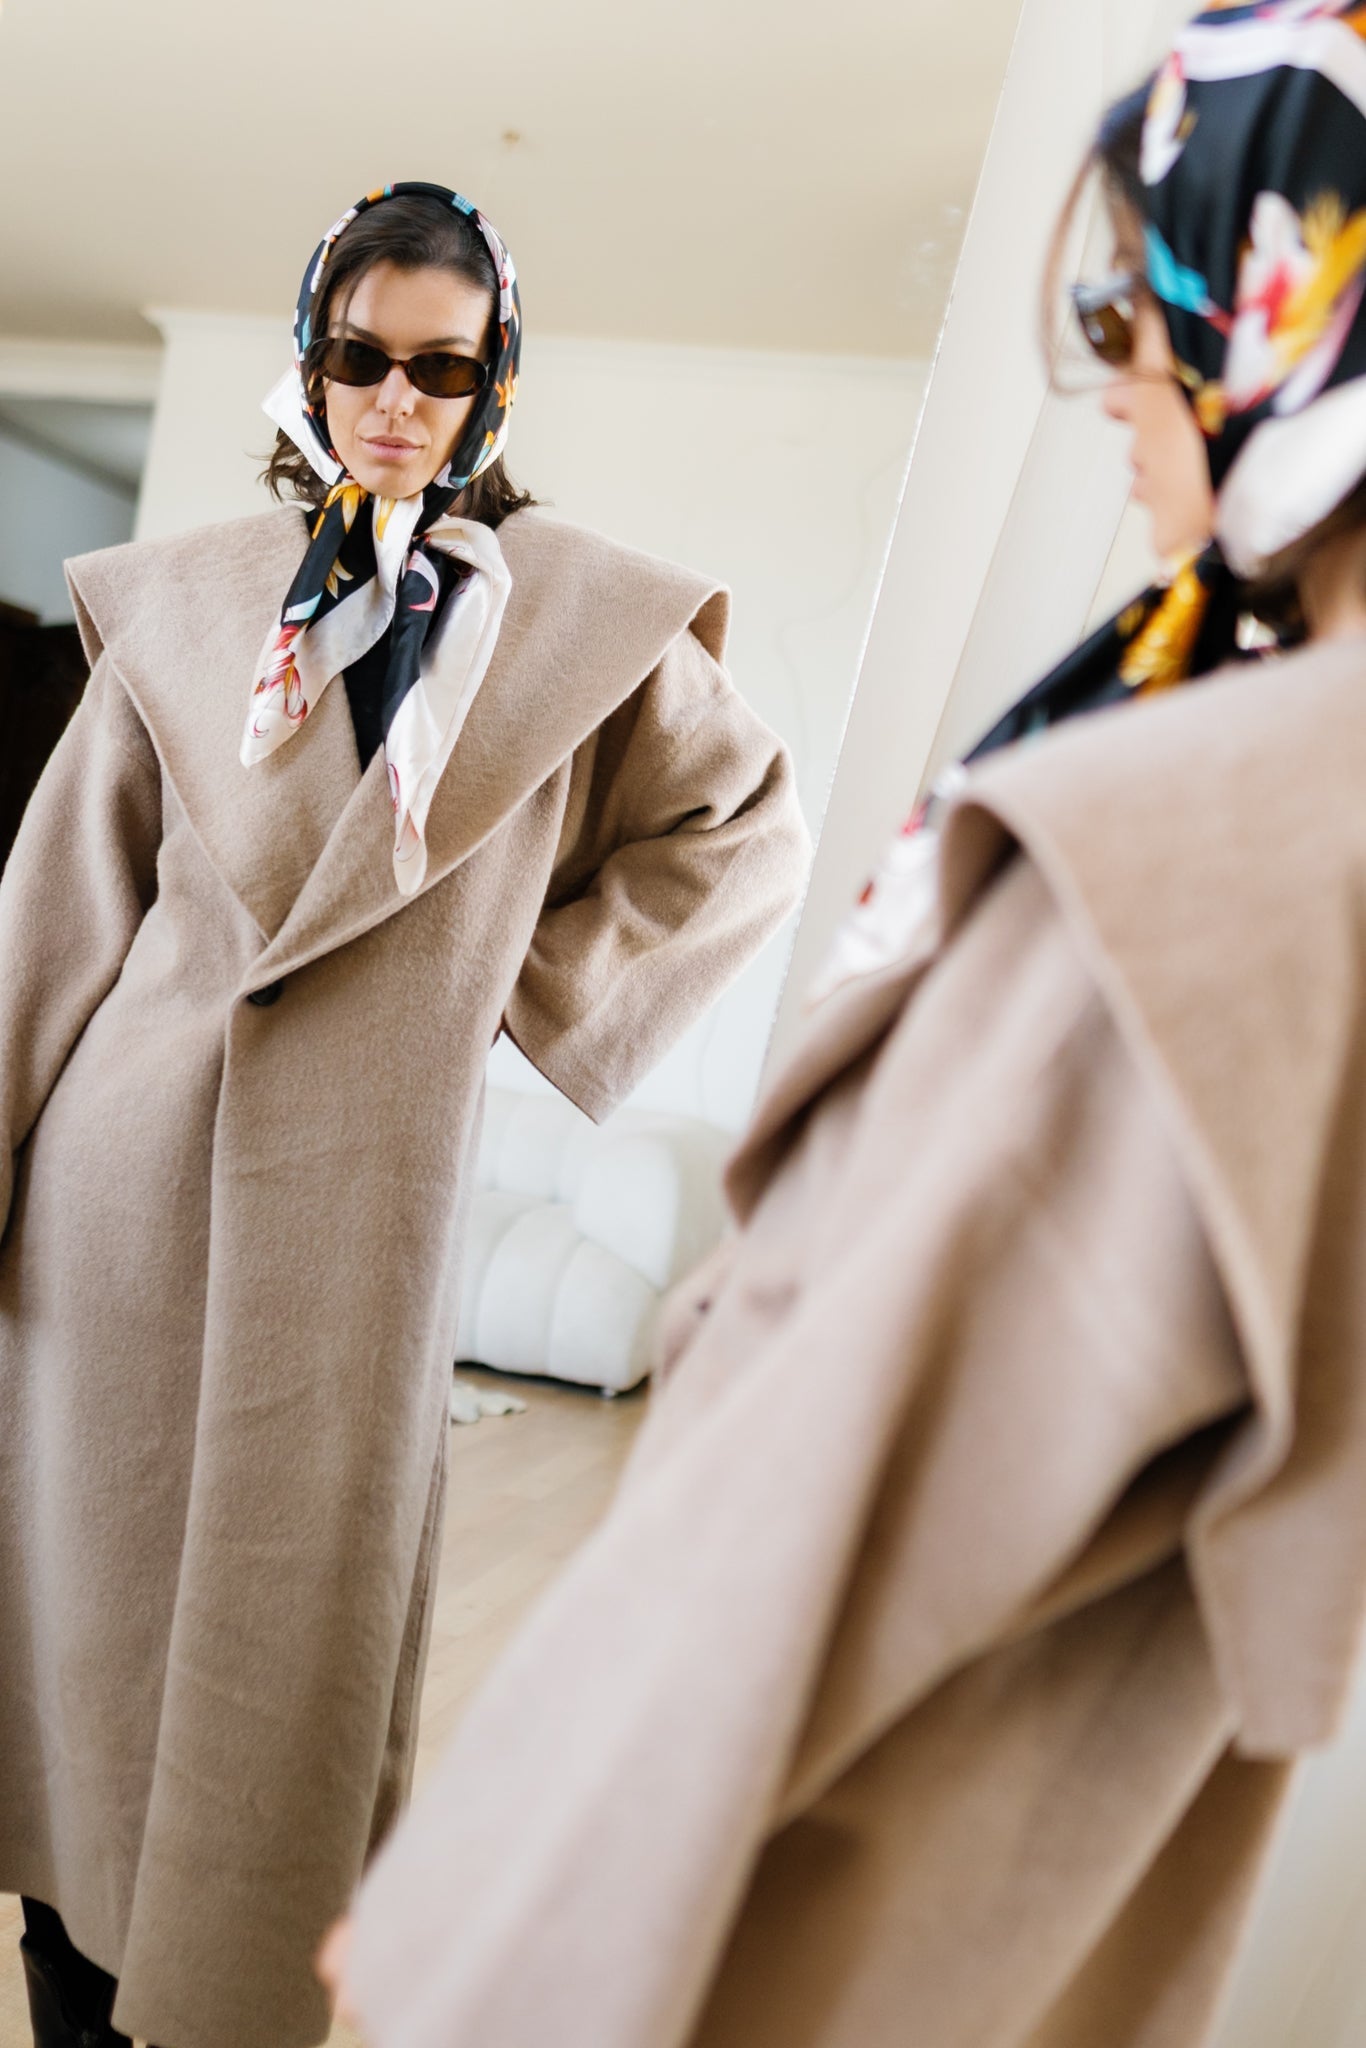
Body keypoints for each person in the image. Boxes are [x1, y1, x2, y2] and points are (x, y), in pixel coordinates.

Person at [327, 13, 1366, 2047]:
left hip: (828, 1852)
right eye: (359, 353)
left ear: (1278, 300)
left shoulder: (1195, 831)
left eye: (1128, 300)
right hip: (1042, 1828)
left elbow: (846, 1470)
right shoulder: (1255, 777)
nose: (1104, 378)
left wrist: (491, 1898)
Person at [0, 181, 808, 2048]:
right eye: (360, 357)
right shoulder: (188, 601)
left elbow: (744, 833)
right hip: (127, 1183)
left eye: (442, 368)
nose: (394, 399)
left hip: (361, 1207)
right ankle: (69, 1989)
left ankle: (207, 2000)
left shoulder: (585, 623)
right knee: (82, 1628)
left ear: (492, 383)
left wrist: (533, 983)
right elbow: (55, 916)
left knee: (288, 1651)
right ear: (310, 363)